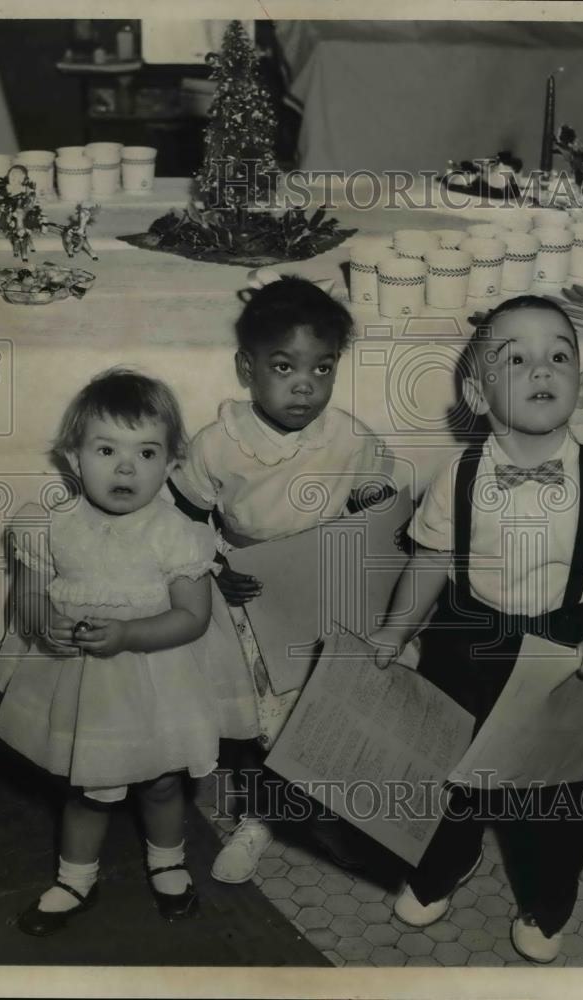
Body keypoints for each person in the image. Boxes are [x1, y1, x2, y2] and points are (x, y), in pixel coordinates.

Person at [370, 295, 583, 963]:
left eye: (558, 355)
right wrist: (394, 629)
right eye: (516, 358)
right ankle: (445, 861)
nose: (540, 370)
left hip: (566, 644)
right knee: (448, 770)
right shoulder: (458, 475)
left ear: (579, 385)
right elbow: (431, 561)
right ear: (476, 391)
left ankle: (547, 898)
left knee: (560, 789)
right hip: (466, 636)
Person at [168, 275, 395, 884]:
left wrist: (368, 514)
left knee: (327, 708)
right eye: (284, 366)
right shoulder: (219, 445)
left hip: (327, 593)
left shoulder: (348, 437)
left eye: (322, 370)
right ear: (247, 367)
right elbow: (184, 518)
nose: (304, 386)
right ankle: (261, 816)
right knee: (261, 718)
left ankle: (326, 811)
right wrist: (215, 568)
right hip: (250, 597)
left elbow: (377, 495)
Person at [0, 368, 221, 935]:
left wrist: (128, 635)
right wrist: (48, 625)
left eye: (146, 452)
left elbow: (193, 617)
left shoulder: (177, 533)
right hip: (81, 686)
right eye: (106, 449)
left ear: (169, 466)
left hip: (154, 681)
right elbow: (28, 600)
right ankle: (75, 877)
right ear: (73, 458)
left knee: (163, 780)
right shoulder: (50, 527)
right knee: (87, 785)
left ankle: (167, 861)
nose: (125, 467)